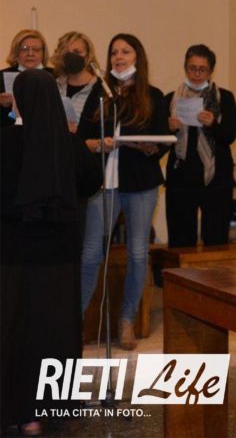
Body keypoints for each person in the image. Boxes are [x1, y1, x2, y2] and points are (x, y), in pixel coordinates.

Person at [1, 70, 101, 436]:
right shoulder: (70, 143)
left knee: (14, 330)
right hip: (60, 257)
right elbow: (92, 182)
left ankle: (18, 412)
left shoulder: (5, 141)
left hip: (12, 256)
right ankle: (54, 409)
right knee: (55, 330)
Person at [78, 33, 169, 350]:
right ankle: (74, 321)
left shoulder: (152, 95)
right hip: (103, 183)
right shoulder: (99, 93)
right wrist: (97, 144)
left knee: (138, 253)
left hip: (141, 183)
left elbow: (162, 139)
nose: (119, 57)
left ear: (137, 57)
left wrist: (150, 148)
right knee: (91, 254)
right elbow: (83, 137)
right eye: (114, 52)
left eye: (125, 52)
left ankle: (126, 321)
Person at [165, 45, 236, 247]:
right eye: (192, 68)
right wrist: (169, 128)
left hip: (216, 178)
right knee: (180, 241)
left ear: (211, 70)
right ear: (185, 68)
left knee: (216, 240)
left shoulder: (225, 98)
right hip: (181, 177)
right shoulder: (171, 98)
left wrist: (213, 124)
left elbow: (229, 136)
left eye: (202, 69)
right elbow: (161, 141)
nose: (197, 74)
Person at [52, 30, 102, 134]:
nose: (71, 57)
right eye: (66, 53)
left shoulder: (100, 88)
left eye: (77, 52)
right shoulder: (54, 86)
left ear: (88, 56)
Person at [1, 29, 50, 128]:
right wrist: (1, 104)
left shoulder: (54, 75)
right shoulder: (1, 76)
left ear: (43, 53)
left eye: (36, 49)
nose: (30, 53)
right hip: (10, 131)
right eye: (24, 49)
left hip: (46, 131)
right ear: (16, 52)